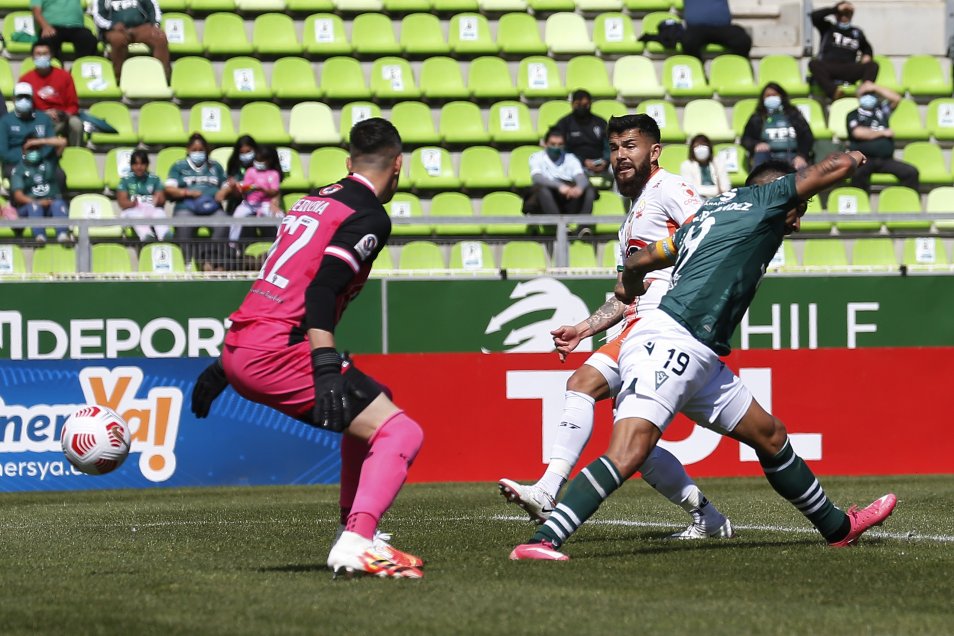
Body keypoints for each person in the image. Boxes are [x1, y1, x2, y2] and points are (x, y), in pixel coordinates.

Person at [510, 151, 898, 561]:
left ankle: (839, 528)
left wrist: (630, 284)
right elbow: (832, 168)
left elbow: (645, 257)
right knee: (629, 450)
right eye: (798, 209)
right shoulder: (766, 199)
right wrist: (857, 155)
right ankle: (543, 540)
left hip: (699, 354)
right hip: (673, 341)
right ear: (778, 193)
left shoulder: (710, 211)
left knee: (770, 436)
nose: (797, 221)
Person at [190, 118, 425, 579]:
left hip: (244, 343)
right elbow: (320, 291)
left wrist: (224, 366)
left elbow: (282, 282)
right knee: (402, 433)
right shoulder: (370, 215)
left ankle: (355, 530)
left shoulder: (312, 201)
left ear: (347, 162)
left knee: (376, 409)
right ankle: (356, 542)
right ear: (398, 165)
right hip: (280, 348)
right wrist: (324, 365)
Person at [499, 114, 733, 540]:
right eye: (614, 147)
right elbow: (627, 293)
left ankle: (549, 489)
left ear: (654, 151)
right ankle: (710, 519)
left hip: (663, 325)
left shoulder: (670, 188)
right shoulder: (632, 217)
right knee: (636, 449)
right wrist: (585, 328)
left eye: (630, 145)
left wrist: (694, 305)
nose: (620, 156)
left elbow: (709, 236)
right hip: (638, 323)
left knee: (582, 382)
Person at [164, 133, 230, 269]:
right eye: (194, 150)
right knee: (183, 225)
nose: (198, 153)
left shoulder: (215, 166)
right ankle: (186, 263)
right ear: (188, 150)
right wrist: (187, 193)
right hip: (186, 206)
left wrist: (223, 192)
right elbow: (169, 188)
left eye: (201, 150)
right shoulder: (179, 166)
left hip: (212, 207)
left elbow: (226, 185)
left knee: (224, 222)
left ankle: (211, 260)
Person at [846, 81, 919, 192]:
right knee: (857, 174)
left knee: (911, 172)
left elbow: (896, 99)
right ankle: (862, 205)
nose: (868, 96)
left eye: (871, 93)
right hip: (864, 160)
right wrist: (883, 132)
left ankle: (907, 204)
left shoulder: (881, 111)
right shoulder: (853, 114)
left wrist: (875, 87)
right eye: (865, 94)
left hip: (885, 160)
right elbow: (858, 133)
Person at [808, 2, 878, 100]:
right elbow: (815, 16)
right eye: (841, 14)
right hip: (829, 67)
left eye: (847, 14)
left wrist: (867, 55)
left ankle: (864, 92)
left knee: (873, 65)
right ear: (836, 15)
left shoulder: (856, 32)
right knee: (813, 63)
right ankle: (834, 92)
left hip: (848, 68)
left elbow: (867, 47)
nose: (844, 17)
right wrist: (835, 9)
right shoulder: (828, 28)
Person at [19, 42, 83, 147]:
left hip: (63, 117)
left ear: (51, 55)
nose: (42, 57)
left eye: (45, 54)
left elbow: (73, 105)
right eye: (38, 54)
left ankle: (76, 155)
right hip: (38, 118)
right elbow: (24, 108)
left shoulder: (65, 76)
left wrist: (63, 114)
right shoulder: (25, 80)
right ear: (33, 57)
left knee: (76, 124)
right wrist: (44, 114)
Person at [92, 0, 170, 82]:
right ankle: (118, 78)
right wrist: (112, 25)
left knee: (159, 37)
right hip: (115, 29)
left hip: (140, 27)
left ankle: (163, 78)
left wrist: (155, 24)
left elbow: (153, 7)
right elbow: (98, 16)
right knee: (118, 40)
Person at [741, 83, 814, 170]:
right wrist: (756, 145)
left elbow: (807, 136)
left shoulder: (794, 114)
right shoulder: (757, 117)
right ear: (763, 99)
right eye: (768, 96)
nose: (771, 98)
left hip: (793, 155)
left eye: (774, 95)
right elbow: (746, 139)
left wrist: (802, 156)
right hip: (767, 156)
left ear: (781, 96)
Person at [524, 128, 595, 217]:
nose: (556, 147)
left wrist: (579, 188)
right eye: (553, 144)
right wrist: (559, 186)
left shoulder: (570, 158)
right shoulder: (536, 157)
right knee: (542, 190)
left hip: (569, 198)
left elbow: (580, 176)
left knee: (588, 189)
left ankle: (583, 227)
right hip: (547, 200)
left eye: (560, 144)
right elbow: (537, 177)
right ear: (545, 144)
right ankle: (559, 226)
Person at [11, 134, 69, 244]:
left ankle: (62, 234)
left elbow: (63, 142)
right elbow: (18, 196)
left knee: (59, 203)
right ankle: (39, 237)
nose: (33, 151)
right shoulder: (19, 170)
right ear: (23, 151)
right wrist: (38, 202)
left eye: (36, 148)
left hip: (50, 204)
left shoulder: (48, 162)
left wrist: (40, 141)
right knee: (34, 206)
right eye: (30, 149)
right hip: (29, 208)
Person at [0, 83, 62, 181]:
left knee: (59, 175)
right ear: (13, 99)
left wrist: (38, 157)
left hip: (41, 160)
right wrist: (25, 157)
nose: (23, 100)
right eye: (20, 97)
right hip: (15, 162)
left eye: (27, 97)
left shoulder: (44, 119)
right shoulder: (5, 121)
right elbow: (3, 151)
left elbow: (51, 143)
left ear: (32, 99)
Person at [554, 90, 611, 187]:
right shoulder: (564, 123)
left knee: (620, 170)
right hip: (577, 164)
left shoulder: (600, 122)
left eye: (585, 104)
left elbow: (609, 145)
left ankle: (619, 200)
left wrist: (605, 160)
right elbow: (561, 149)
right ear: (572, 104)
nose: (582, 107)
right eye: (578, 104)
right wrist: (583, 161)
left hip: (601, 163)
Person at [229, 144, 282, 243]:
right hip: (249, 203)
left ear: (269, 161)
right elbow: (245, 187)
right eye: (257, 160)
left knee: (280, 216)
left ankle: (283, 243)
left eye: (261, 160)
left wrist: (263, 190)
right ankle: (232, 244)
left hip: (266, 204)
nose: (258, 163)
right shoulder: (250, 171)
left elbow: (274, 191)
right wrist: (245, 188)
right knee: (237, 216)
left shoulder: (273, 174)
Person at [116, 149, 169, 242]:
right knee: (136, 215)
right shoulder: (125, 180)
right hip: (132, 210)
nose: (139, 167)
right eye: (135, 164)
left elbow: (161, 200)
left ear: (147, 165)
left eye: (142, 164)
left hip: (150, 208)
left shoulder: (154, 179)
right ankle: (146, 236)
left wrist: (158, 200)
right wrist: (132, 204)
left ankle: (165, 235)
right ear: (131, 165)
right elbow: (122, 202)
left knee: (159, 212)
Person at [681, 0, 752, 59]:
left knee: (743, 40)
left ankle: (731, 69)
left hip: (722, 28)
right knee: (688, 40)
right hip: (696, 29)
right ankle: (697, 70)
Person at [31, 0, 99, 62]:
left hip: (76, 27)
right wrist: (45, 27)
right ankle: (55, 71)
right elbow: (36, 11)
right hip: (52, 27)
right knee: (48, 40)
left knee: (89, 39)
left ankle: (79, 70)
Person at [680, 134, 731, 199]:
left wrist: (702, 190)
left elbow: (725, 187)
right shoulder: (686, 165)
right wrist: (716, 190)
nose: (701, 148)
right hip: (698, 200)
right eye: (697, 145)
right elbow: (690, 189)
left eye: (704, 145)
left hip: (719, 199)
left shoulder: (719, 162)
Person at [224, 135, 258, 216]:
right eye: (242, 152)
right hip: (238, 201)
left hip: (258, 200)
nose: (245, 155)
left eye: (248, 151)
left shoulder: (260, 164)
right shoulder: (234, 164)